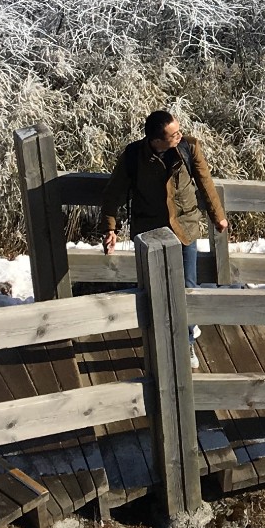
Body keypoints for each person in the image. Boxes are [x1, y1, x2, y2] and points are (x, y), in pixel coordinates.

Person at [101, 111, 228, 364]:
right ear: (156, 140)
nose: (180, 135)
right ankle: (158, 340)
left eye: (179, 130)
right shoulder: (134, 156)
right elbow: (113, 193)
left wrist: (218, 216)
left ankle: (188, 341)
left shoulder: (189, 148)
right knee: (153, 289)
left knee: (188, 287)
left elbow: (205, 182)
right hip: (151, 233)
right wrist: (110, 228)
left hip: (185, 227)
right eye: (174, 134)